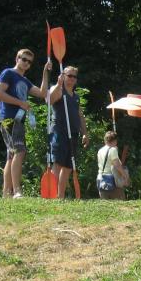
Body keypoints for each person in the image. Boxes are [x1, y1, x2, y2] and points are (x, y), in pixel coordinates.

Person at [0, 49, 51, 198]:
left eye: (29, 62)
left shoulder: (25, 81)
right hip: (9, 119)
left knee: (12, 155)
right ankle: (17, 190)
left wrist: (45, 72)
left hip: (18, 120)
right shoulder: (8, 73)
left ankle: (6, 193)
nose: (26, 63)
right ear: (17, 58)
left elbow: (42, 93)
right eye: (24, 59)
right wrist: (20, 103)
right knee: (20, 151)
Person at [48, 66, 89, 199]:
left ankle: (60, 196)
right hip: (59, 132)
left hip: (73, 134)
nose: (72, 78)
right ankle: (51, 196)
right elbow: (49, 100)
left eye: (74, 76)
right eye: (69, 75)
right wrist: (58, 84)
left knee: (68, 167)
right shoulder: (59, 91)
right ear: (63, 76)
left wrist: (85, 133)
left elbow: (80, 116)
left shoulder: (76, 97)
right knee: (58, 163)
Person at [96, 131, 124, 200]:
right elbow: (117, 165)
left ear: (105, 140)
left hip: (100, 179)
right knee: (119, 202)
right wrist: (124, 175)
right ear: (115, 141)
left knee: (105, 203)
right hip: (111, 179)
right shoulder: (113, 150)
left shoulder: (100, 150)